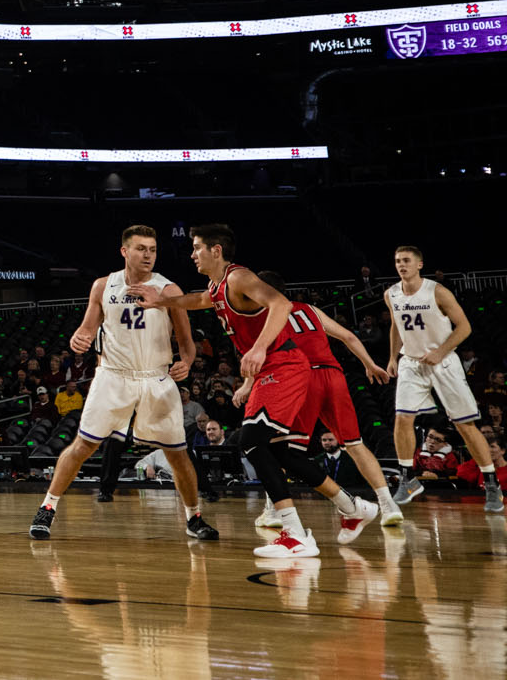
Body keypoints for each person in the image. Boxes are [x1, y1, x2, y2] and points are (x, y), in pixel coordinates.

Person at [133, 224, 379, 559]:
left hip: (284, 365)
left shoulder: (239, 278)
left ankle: (294, 534)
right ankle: (352, 507)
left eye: (196, 248)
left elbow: (281, 305)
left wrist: (260, 347)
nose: (192, 254)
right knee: (282, 454)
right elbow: (202, 299)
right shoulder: (217, 286)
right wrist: (162, 301)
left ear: (215, 250)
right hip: (270, 371)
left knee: (250, 440)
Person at [29, 225, 219, 542]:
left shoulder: (168, 290)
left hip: (155, 376)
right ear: (124, 251)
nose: (148, 255)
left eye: (153, 249)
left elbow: (186, 342)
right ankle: (47, 509)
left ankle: (193, 517)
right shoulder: (103, 286)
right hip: (113, 375)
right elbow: (87, 329)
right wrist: (81, 337)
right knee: (83, 446)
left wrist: (185, 362)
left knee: (177, 453)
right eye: (141, 248)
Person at [249, 272, 401, 527]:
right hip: (334, 376)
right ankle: (388, 505)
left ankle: (273, 510)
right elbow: (349, 336)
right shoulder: (310, 310)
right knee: (354, 443)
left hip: (301, 378)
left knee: (281, 448)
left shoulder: (266, 315)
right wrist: (370, 364)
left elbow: (262, 356)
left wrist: (247, 385)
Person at [385, 245, 503, 512]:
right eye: (397, 261)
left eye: (405, 261)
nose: (401, 265)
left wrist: (441, 351)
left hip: (444, 361)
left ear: (419, 265)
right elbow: (395, 326)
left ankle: (491, 481)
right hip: (411, 363)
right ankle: (407, 479)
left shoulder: (437, 292)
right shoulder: (390, 293)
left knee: (465, 425)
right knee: (402, 418)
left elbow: (465, 327)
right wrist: (392, 358)